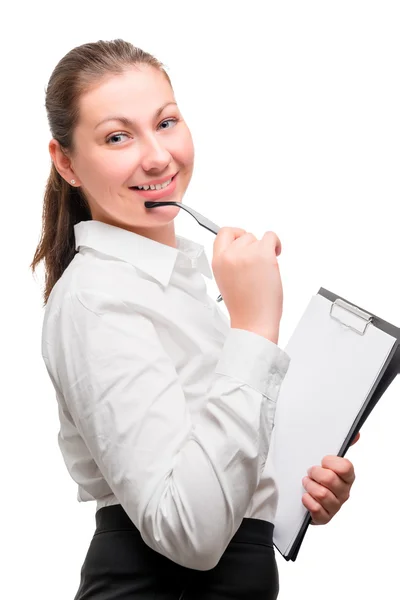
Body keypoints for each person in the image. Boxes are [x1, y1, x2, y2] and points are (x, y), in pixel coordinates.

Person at [31, 39, 359, 600]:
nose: (157, 156)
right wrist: (254, 326)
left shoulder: (178, 281)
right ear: (66, 162)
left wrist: (283, 494)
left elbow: (207, 483)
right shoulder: (97, 295)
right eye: (118, 136)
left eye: (166, 122)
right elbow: (189, 533)